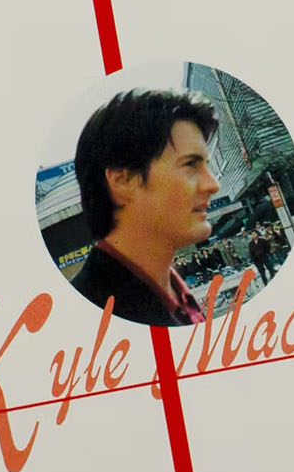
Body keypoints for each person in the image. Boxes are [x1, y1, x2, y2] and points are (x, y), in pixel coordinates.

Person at [70, 89, 221, 326]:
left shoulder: (175, 294)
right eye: (191, 165)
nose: (213, 185)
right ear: (123, 181)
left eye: (206, 166)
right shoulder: (89, 324)